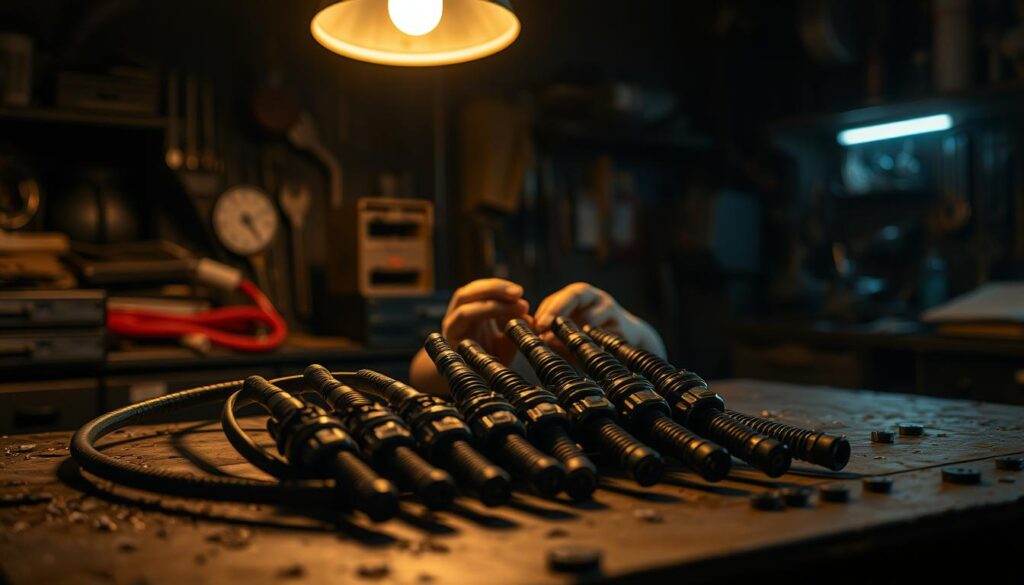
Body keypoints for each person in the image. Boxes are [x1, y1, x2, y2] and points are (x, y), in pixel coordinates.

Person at [409, 279, 667, 394]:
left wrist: (638, 335)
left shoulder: (599, 322)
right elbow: (419, 375)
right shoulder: (489, 332)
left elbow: (661, 364)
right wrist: (455, 359)